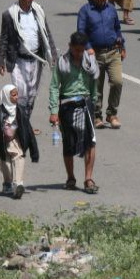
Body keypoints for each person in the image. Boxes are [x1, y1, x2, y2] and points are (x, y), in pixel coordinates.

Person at [0, 0, 58, 122]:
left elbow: (46, 34)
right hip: (18, 61)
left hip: (36, 59)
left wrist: (53, 55)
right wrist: (0, 61)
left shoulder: (38, 10)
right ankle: (17, 123)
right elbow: (4, 39)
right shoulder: (9, 14)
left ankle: (24, 123)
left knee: (31, 95)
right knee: (21, 94)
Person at [48, 32, 100, 194]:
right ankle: (71, 178)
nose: (78, 53)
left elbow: (93, 83)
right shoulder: (62, 63)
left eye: (81, 50)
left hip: (85, 104)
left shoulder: (90, 62)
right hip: (67, 106)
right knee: (69, 144)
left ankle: (88, 179)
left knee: (90, 142)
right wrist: (54, 111)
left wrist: (94, 103)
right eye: (76, 50)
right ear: (70, 47)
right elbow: (54, 87)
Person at [77, 0, 126, 130]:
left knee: (117, 82)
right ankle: (96, 115)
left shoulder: (111, 9)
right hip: (95, 55)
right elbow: (81, 32)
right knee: (96, 88)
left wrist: (122, 44)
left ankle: (112, 114)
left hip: (113, 52)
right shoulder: (85, 11)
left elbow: (117, 28)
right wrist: (88, 48)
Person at [0, 84, 38, 199]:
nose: (16, 97)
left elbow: (28, 129)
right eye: (14, 95)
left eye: (17, 94)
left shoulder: (20, 111)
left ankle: (18, 184)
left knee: (19, 158)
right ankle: (7, 183)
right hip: (2, 144)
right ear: (6, 96)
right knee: (6, 165)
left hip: (16, 142)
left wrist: (34, 151)